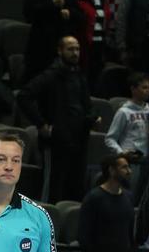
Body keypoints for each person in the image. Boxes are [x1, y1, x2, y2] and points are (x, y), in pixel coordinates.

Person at [17, 35, 97, 203]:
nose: (75, 53)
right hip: (56, 141)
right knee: (53, 189)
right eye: (70, 49)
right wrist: (41, 124)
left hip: (78, 140)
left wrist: (92, 118)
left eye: (77, 49)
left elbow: (85, 105)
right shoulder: (50, 76)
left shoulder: (79, 75)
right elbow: (24, 96)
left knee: (74, 189)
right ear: (60, 51)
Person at [23, 0, 83, 79]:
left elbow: (79, 13)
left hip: (62, 38)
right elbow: (29, 10)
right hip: (41, 40)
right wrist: (51, 4)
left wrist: (69, 12)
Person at [79, 155, 135, 252]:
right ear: (111, 170)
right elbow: (84, 233)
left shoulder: (128, 197)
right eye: (124, 167)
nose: (129, 171)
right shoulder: (94, 198)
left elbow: (130, 230)